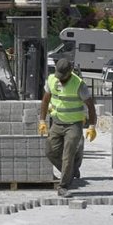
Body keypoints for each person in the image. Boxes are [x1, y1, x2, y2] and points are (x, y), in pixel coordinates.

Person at [39, 58, 98, 197]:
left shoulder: (79, 85)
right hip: (57, 123)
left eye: (63, 76)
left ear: (70, 72)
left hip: (74, 125)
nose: (60, 79)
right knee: (50, 151)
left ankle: (63, 186)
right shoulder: (52, 80)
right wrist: (42, 120)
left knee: (67, 155)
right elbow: (46, 100)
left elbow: (90, 106)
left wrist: (92, 126)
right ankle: (71, 171)